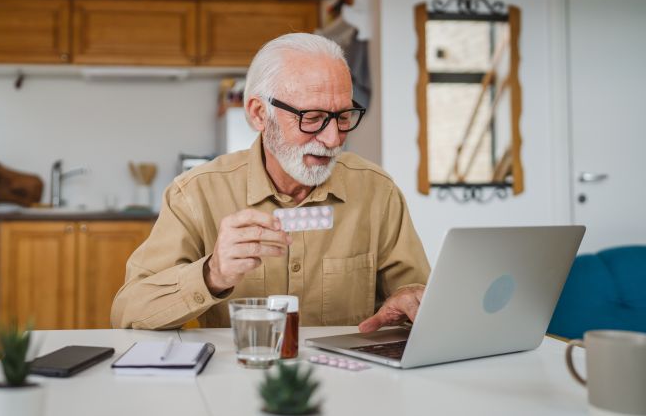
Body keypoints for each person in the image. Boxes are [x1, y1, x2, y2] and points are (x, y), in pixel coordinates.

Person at [111, 33, 430, 331]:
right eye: (313, 118)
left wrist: (411, 301)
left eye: (343, 117)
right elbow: (127, 313)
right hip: (240, 379)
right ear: (259, 113)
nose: (333, 139)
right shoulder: (194, 194)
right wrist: (212, 274)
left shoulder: (378, 191)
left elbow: (417, 296)